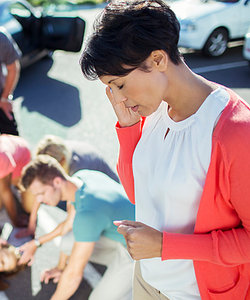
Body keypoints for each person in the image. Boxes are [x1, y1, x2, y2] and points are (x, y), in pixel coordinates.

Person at [79, 0, 250, 299]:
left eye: (119, 84)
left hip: (197, 293)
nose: (118, 98)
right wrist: (128, 130)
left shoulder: (235, 131)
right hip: (147, 279)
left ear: (157, 59)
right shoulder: (151, 111)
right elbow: (138, 195)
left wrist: (164, 246)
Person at [19, 155, 134, 300]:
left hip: (139, 251)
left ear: (57, 181)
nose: (39, 200)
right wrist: (38, 244)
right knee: (68, 242)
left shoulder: (88, 213)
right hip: (126, 232)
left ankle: (143, 283)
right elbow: (68, 225)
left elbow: (74, 274)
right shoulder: (81, 178)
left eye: (41, 193)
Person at [16, 134, 120, 238]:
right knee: (48, 190)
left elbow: (70, 221)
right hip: (90, 190)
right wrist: (32, 223)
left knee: (73, 230)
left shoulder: (78, 170)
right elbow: (39, 186)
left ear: (61, 162)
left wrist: (37, 242)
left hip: (106, 202)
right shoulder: (59, 152)